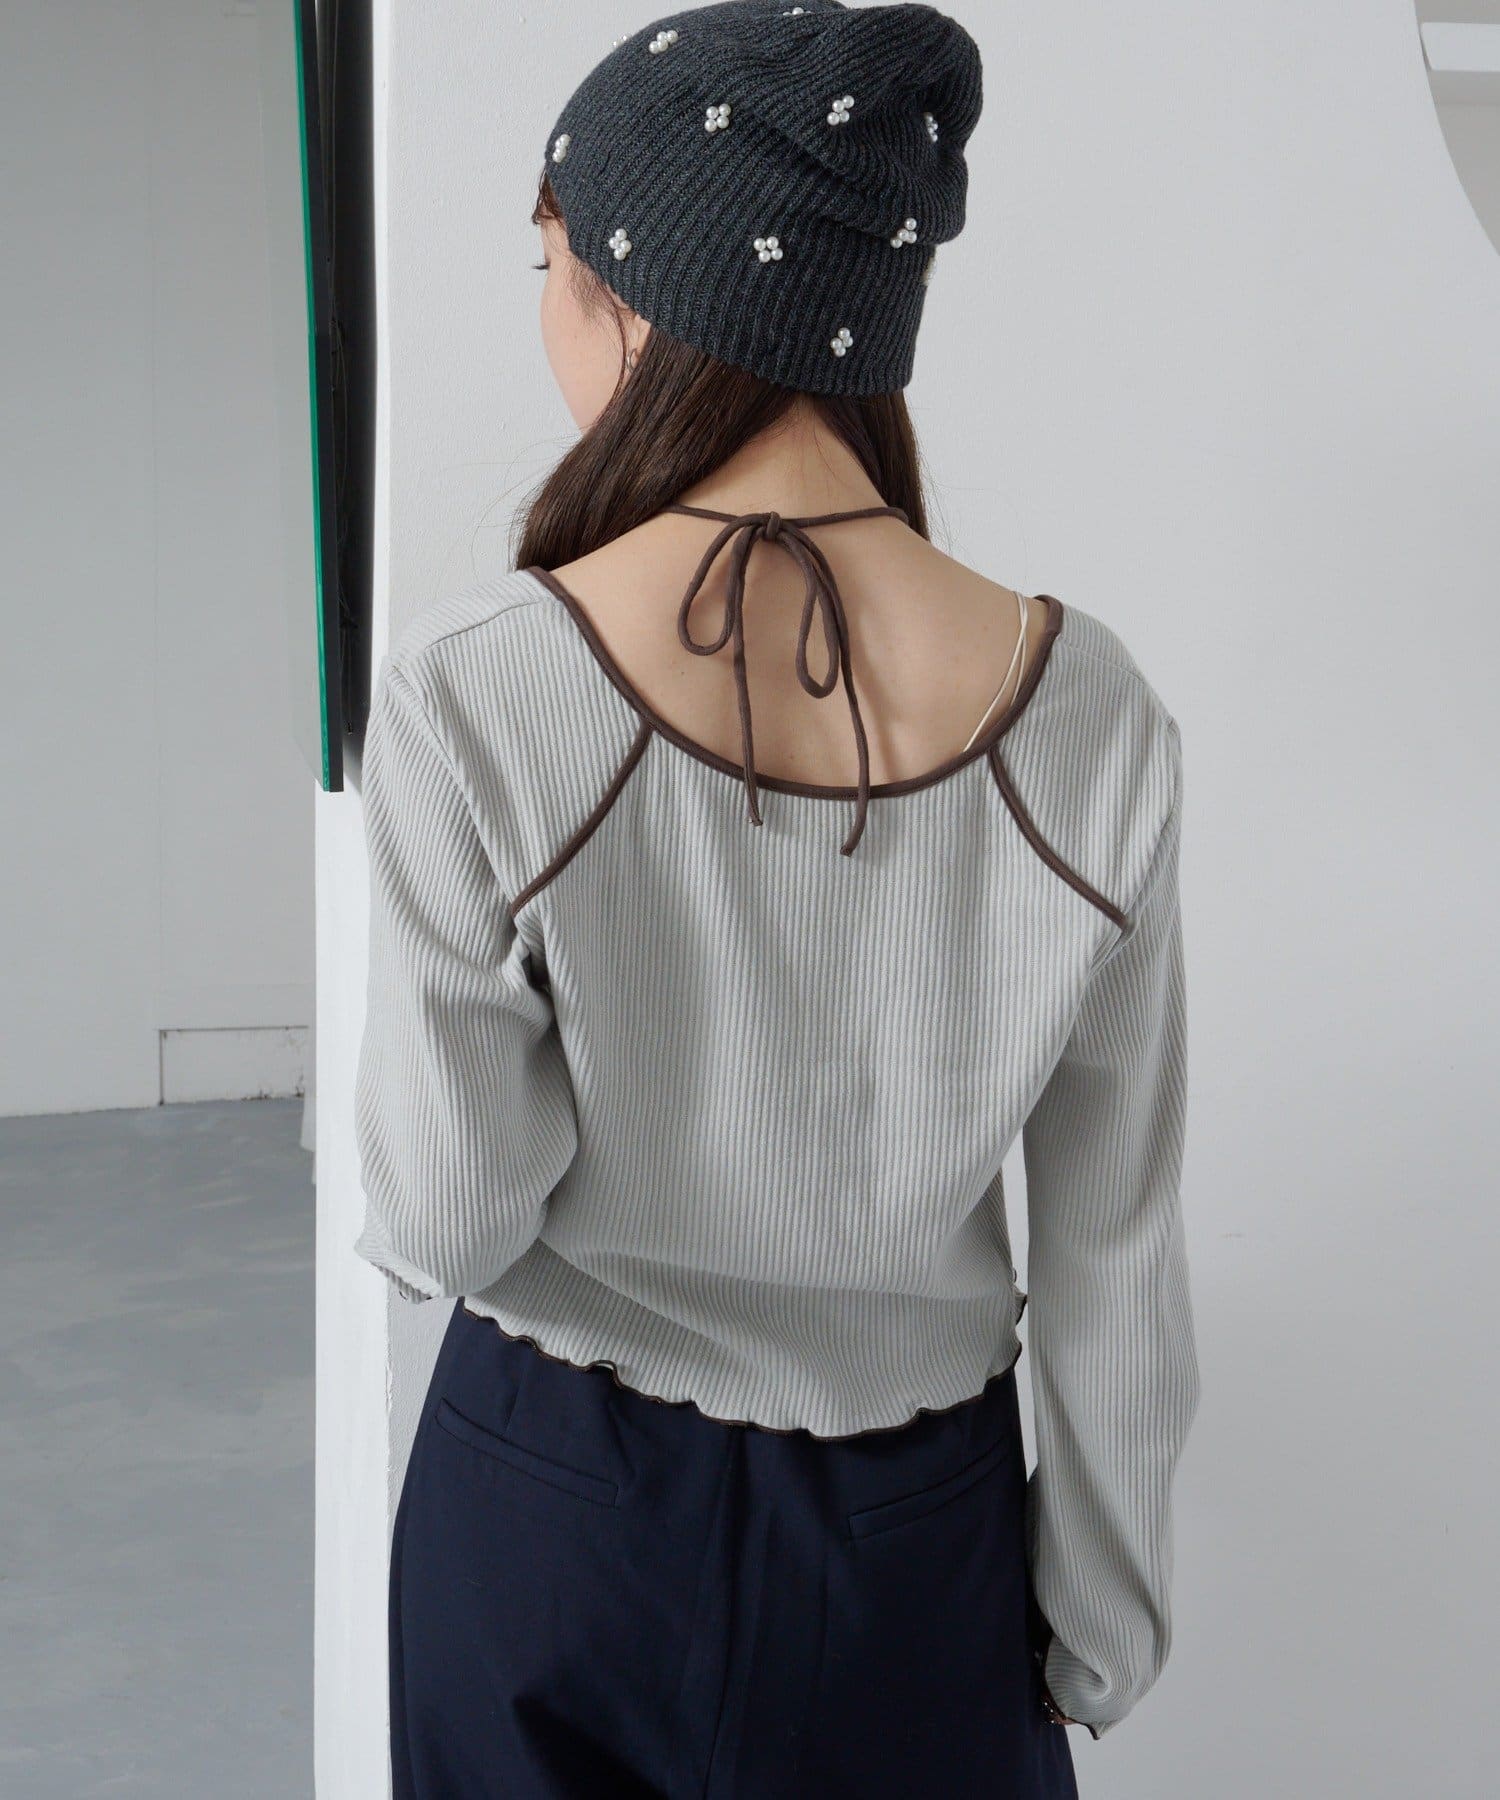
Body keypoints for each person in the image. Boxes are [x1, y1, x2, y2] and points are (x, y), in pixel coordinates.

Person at [353, 3, 1202, 1794]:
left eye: (549, 263)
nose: (543, 310)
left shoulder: (476, 688)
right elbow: (1113, 1248)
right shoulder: (1092, 709)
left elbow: (444, 1215)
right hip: (920, 1537)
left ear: (638, 298)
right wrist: (1099, 1626)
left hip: (557, 1507)